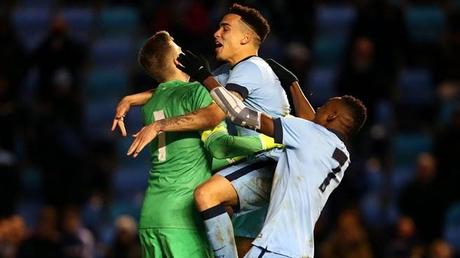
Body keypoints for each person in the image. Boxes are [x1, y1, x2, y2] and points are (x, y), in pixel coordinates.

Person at [124, 4, 293, 257]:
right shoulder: (226, 74)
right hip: (246, 166)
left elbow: (214, 113)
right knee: (237, 239)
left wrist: (157, 123)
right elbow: (179, 87)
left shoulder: (252, 67)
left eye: (225, 28)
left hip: (270, 163)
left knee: (207, 196)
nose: (216, 33)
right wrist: (132, 98)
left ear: (246, 37)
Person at [176, 49, 367, 257]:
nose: (317, 108)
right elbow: (312, 124)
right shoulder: (341, 155)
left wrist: (206, 77)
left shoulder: (309, 134)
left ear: (331, 116)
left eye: (322, 107)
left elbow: (240, 113)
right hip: (300, 251)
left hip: (274, 247)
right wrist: (293, 84)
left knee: (207, 194)